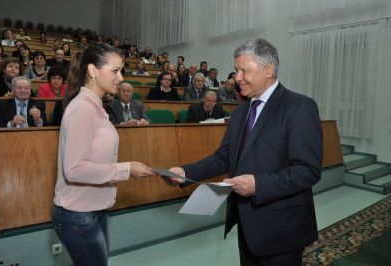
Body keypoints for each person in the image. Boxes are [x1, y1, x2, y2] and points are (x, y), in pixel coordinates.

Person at [165, 38, 323, 266]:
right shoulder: (240, 112)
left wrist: (258, 185)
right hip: (247, 226)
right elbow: (224, 157)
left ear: (268, 70)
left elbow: (308, 170)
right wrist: (184, 172)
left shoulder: (299, 107)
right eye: (236, 70)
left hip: (283, 228)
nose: (237, 78)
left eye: (243, 71)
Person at [51, 43, 154, 265]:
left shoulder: (96, 105)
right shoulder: (82, 108)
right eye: (115, 70)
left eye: (121, 70)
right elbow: (74, 169)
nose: (120, 77)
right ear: (92, 71)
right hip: (78, 214)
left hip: (94, 210)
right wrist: (126, 169)